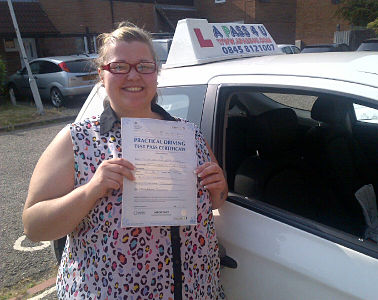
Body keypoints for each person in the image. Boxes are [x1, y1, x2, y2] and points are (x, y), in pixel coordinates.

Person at [22, 22, 228, 299]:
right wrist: (91, 189)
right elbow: (34, 227)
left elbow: (215, 200)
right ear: (101, 75)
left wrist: (217, 188)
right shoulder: (78, 139)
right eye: (119, 67)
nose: (134, 76)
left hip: (195, 287)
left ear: (156, 73)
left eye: (144, 66)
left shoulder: (187, 134)